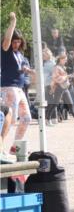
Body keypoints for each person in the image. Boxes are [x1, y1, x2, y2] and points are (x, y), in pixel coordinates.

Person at [1, 13, 33, 146]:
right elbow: (7, 40)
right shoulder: (6, 51)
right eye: (14, 41)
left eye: (18, 41)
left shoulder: (20, 54)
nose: (16, 44)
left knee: (26, 118)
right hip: (8, 88)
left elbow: (25, 69)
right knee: (10, 119)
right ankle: (1, 146)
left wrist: (30, 71)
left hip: (19, 89)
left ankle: (15, 148)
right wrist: (13, 22)